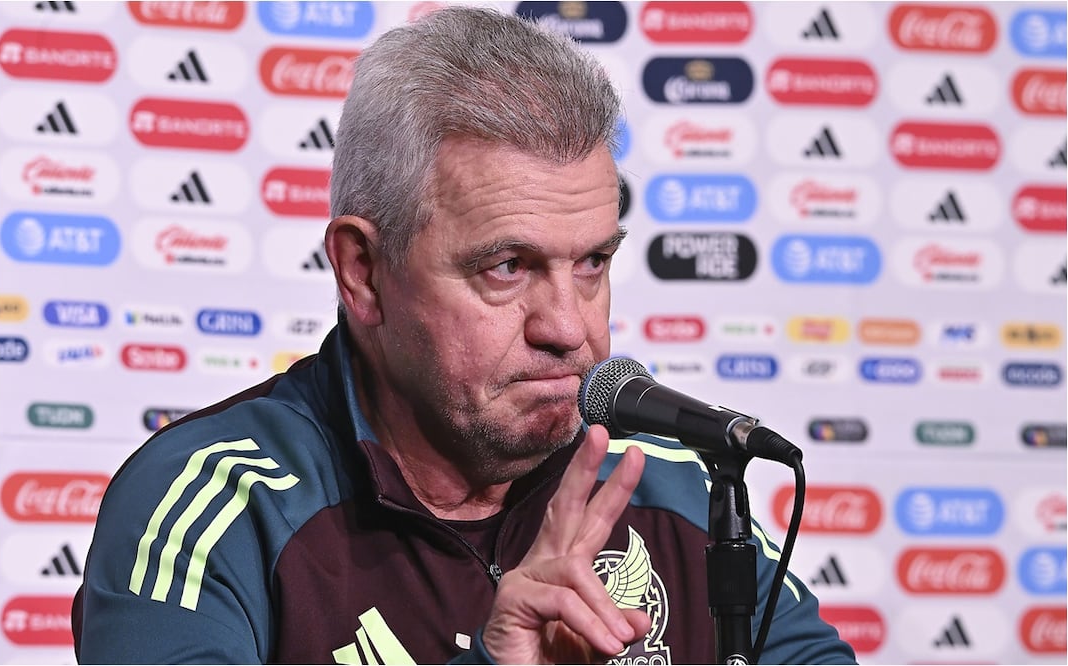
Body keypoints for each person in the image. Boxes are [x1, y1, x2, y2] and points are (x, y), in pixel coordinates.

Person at [73, 7, 856, 664]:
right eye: (507, 267)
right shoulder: (210, 505)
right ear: (363, 272)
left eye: (591, 263)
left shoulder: (677, 482)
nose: (568, 328)